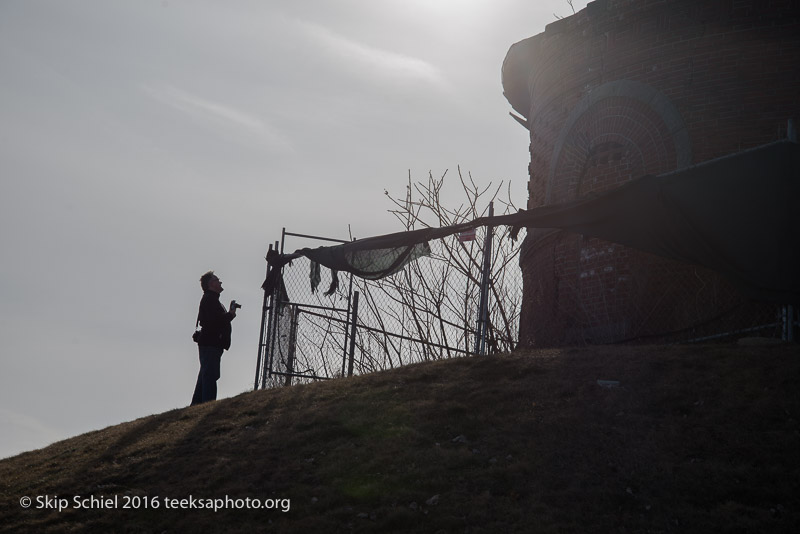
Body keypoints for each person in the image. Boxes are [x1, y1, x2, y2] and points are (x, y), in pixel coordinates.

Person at [191, 271, 238, 406]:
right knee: (210, 376)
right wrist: (230, 315)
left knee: (206, 375)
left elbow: (214, 320)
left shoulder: (211, 299)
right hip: (210, 344)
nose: (220, 282)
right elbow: (214, 321)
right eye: (217, 280)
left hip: (211, 344)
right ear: (211, 284)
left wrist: (229, 314)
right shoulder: (210, 299)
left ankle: (197, 406)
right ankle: (207, 405)